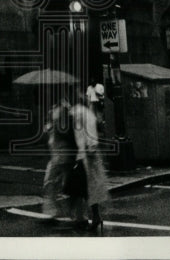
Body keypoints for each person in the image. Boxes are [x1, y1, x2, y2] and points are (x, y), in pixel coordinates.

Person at [69, 92, 111, 233]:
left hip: (85, 154)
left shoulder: (81, 113)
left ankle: (82, 217)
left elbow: (89, 135)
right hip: (86, 153)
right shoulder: (85, 113)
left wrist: (90, 148)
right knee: (87, 187)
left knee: (82, 187)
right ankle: (91, 216)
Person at [42, 89, 75, 221]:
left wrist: (54, 126)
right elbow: (49, 128)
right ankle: (55, 211)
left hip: (63, 154)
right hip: (56, 153)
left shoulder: (65, 110)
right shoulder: (54, 110)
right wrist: (49, 125)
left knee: (55, 183)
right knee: (53, 183)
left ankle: (67, 212)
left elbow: (65, 132)